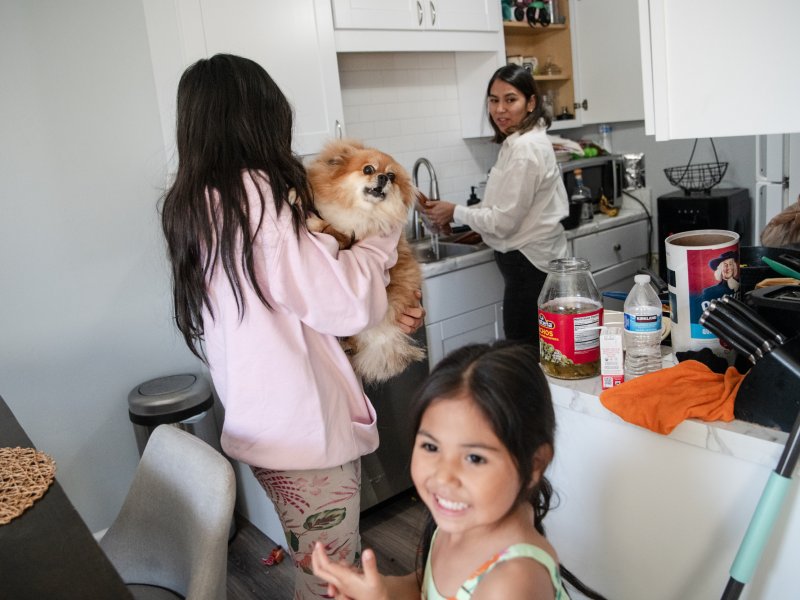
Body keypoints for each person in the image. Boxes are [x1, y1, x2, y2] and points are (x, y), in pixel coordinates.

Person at [160, 54, 424, 599]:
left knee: (318, 564)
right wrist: (382, 239)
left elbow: (287, 307)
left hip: (262, 421)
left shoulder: (197, 202)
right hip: (303, 433)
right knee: (333, 578)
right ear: (258, 117)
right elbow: (343, 303)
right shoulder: (256, 195)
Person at [311, 342, 607, 600]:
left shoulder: (512, 581)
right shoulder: (457, 523)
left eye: (475, 458)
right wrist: (383, 591)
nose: (443, 476)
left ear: (534, 464)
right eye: (430, 447)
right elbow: (425, 587)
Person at [422, 65, 569, 353]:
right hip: (531, 264)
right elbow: (501, 206)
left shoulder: (526, 150)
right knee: (532, 352)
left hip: (530, 267)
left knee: (522, 352)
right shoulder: (518, 143)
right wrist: (459, 213)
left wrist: (455, 212)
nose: (500, 109)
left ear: (531, 103)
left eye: (510, 99)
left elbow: (503, 222)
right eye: (493, 100)